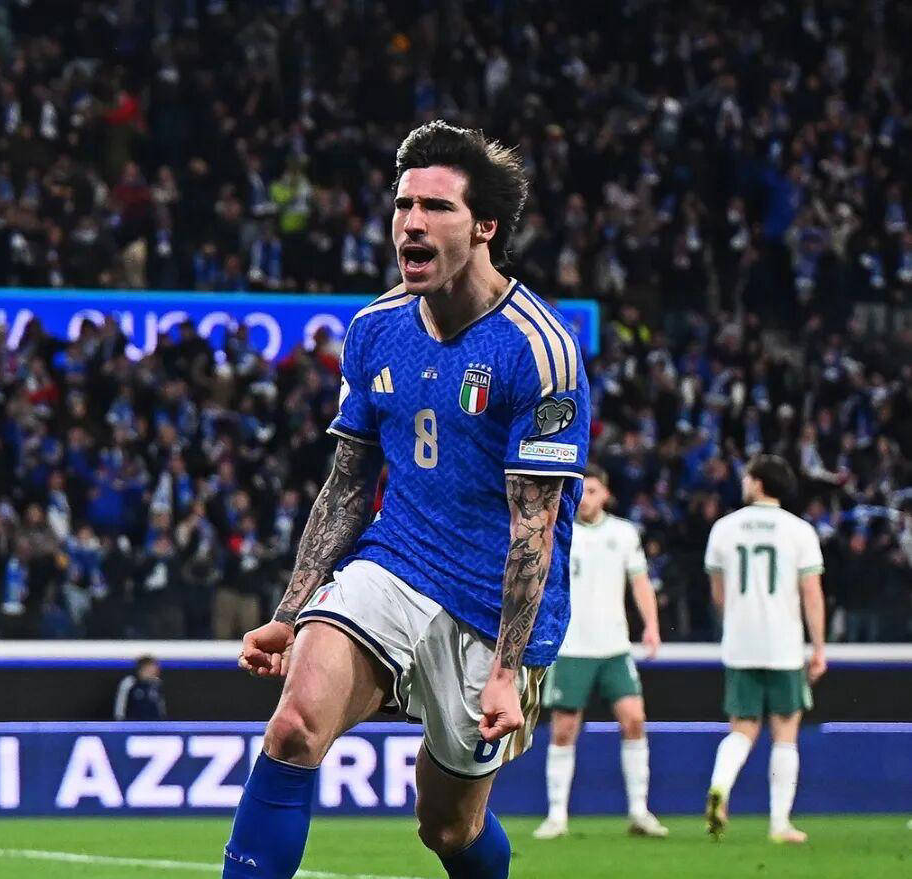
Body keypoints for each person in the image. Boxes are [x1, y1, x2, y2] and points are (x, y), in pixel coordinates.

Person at [226, 120, 589, 879]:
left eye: (436, 207)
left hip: (488, 605)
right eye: (403, 205)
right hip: (392, 564)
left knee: (448, 829)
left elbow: (535, 524)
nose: (411, 223)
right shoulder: (375, 329)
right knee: (292, 728)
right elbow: (348, 483)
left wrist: (505, 670)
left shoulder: (538, 347)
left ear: (484, 227)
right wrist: (289, 613)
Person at [534, 464, 668, 840]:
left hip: (614, 647)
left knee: (634, 720)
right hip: (571, 646)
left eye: (592, 491)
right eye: (581, 491)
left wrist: (652, 626)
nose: (585, 499)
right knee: (564, 728)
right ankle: (557, 815)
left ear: (605, 494)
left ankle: (639, 811)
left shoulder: (623, 533)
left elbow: (640, 583)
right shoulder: (558, 530)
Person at [703, 454, 827, 844]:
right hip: (783, 644)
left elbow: (718, 595)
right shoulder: (799, 531)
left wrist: (738, 621)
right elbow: (811, 594)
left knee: (742, 728)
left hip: (741, 643)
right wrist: (819, 647)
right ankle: (779, 823)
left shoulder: (724, 528)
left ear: (758, 483)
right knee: (785, 731)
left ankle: (720, 787)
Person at [113, 655, 167, 721]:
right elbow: (120, 706)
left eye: (155, 670)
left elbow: (161, 707)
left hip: (153, 724)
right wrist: (120, 721)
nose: (153, 672)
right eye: (150, 670)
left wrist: (162, 721)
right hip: (133, 723)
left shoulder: (156, 684)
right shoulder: (129, 682)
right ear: (142, 669)